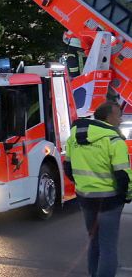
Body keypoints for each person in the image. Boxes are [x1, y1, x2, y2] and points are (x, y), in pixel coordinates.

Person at [64, 102, 131, 277]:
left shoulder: (74, 138)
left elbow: (68, 168)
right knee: (108, 247)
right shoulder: (114, 141)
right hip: (110, 200)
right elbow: (123, 176)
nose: (120, 118)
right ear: (109, 117)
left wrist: (83, 185)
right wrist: (127, 196)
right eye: (118, 115)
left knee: (94, 242)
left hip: (86, 198)